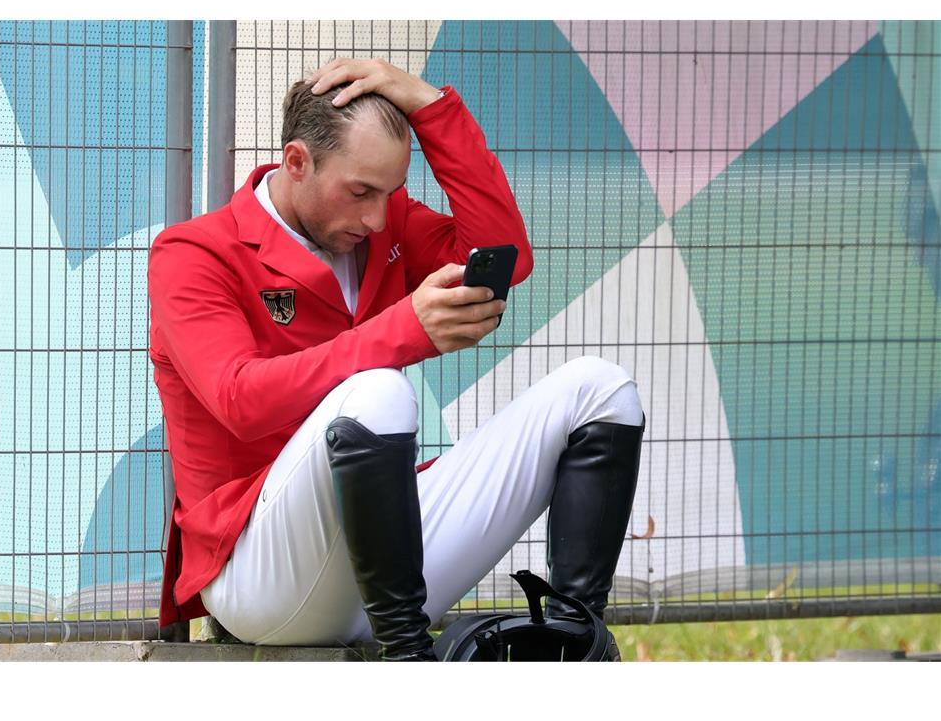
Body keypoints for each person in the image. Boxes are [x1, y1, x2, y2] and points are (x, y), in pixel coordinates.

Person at [148, 57, 646, 661]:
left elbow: (504, 257)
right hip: (258, 578)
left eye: (391, 193)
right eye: (360, 191)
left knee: (601, 388)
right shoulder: (193, 251)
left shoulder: (383, 226)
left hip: (384, 574)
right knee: (378, 390)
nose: (377, 217)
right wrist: (405, 330)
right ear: (297, 161)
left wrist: (429, 105)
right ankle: (406, 668)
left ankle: (574, 644)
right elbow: (240, 401)